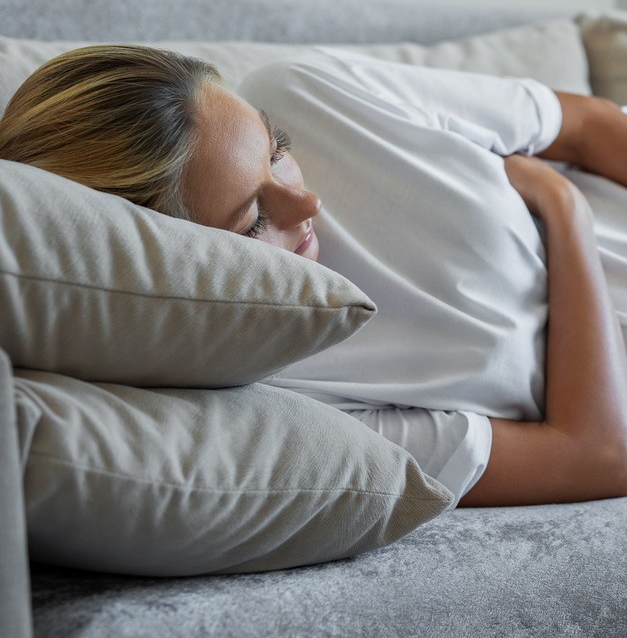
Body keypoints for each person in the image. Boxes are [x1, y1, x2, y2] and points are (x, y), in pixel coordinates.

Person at [1, 44, 626, 509]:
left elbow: (591, 126)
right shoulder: (281, 402)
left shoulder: (310, 88)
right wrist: (561, 207)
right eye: (252, 221)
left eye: (277, 150)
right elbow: (597, 456)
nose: (306, 204)